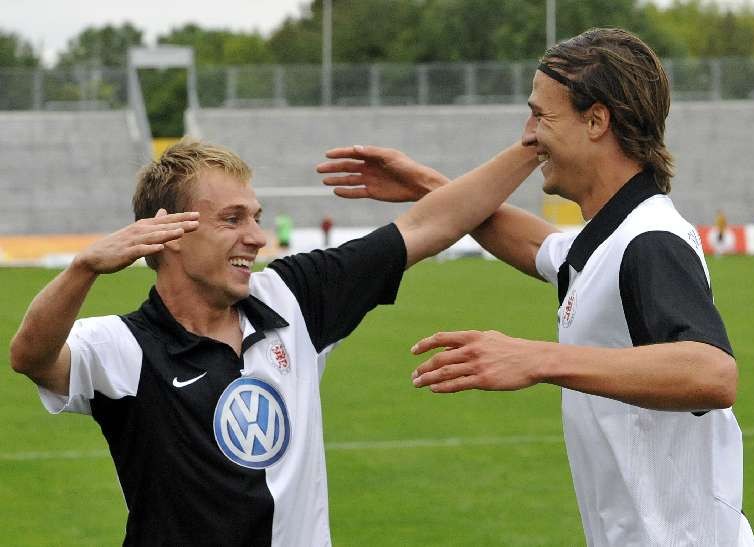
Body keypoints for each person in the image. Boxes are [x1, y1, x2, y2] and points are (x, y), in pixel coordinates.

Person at [318, 28, 754, 546]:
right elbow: (534, 245)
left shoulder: (649, 240)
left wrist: (537, 359)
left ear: (596, 121)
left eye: (541, 116)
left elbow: (712, 372)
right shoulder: (609, 236)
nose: (528, 135)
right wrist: (427, 186)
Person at [10, 137, 539, 545]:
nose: (257, 237)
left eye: (256, 218)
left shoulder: (292, 297)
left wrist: (533, 144)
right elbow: (30, 356)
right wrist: (83, 268)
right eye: (232, 219)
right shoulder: (124, 345)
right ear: (169, 232)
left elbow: (427, 226)